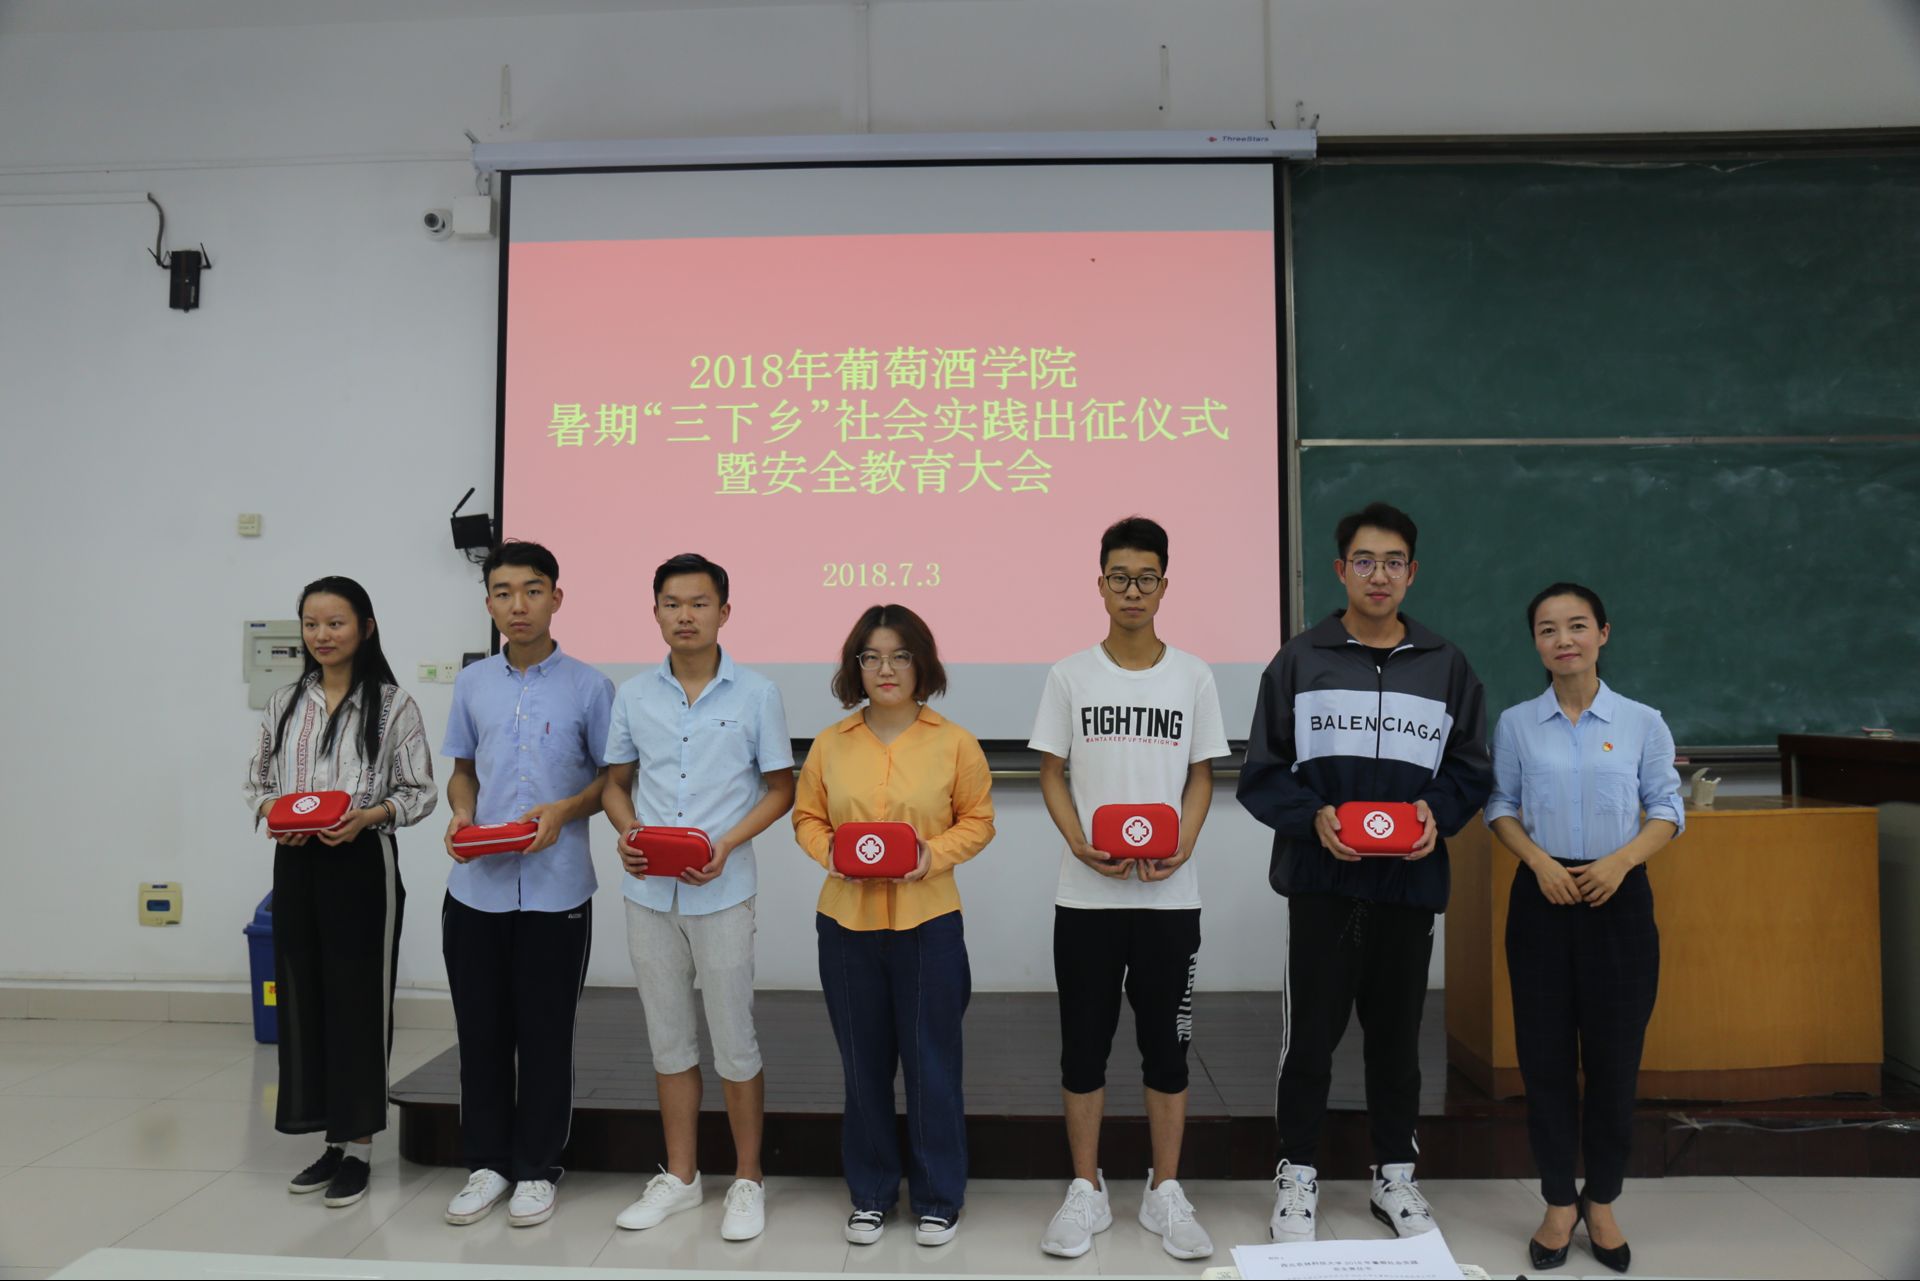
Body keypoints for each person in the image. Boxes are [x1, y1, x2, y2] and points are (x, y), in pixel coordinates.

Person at [1237, 502, 1491, 1244]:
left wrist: (1436, 814)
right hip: (1323, 884)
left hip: (1408, 887)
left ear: (1412, 573)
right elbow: (1262, 772)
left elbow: (1470, 769)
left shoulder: (1447, 665)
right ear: (1341, 569)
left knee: (1398, 1038)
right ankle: (1297, 1174)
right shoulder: (1299, 660)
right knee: (1309, 1038)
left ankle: (1395, 1176)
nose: (1379, 575)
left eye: (1393, 562)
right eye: (1364, 561)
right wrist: (1311, 815)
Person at [1030, 516, 1229, 1262]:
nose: (1133, 591)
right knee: (1082, 1048)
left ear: (1165, 585)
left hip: (1169, 900)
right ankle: (1086, 1187)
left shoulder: (1194, 675)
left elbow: (1203, 773)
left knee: (1167, 1049)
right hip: (1086, 898)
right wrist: (1078, 841)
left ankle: (1164, 1189)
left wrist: (1186, 842)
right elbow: (1051, 770)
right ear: (1101, 584)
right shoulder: (1070, 675)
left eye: (1146, 578)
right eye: (1120, 577)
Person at [1486, 582, 1681, 1275]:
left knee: (1613, 1061)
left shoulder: (1642, 722)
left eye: (1576, 625)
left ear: (1603, 632)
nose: (1563, 639)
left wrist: (1620, 862)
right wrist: (1539, 861)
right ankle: (1557, 1201)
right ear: (1536, 643)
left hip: (1616, 900)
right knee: (1542, 1061)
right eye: (1547, 629)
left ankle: (1601, 1200)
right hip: (1541, 897)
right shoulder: (1516, 723)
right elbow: (1500, 805)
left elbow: (1667, 808)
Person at [602, 553, 795, 1242]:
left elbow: (781, 788)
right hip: (647, 892)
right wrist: (628, 832)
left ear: (724, 611)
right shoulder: (633, 695)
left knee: (735, 1040)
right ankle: (682, 1177)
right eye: (672, 603)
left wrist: (727, 843)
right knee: (668, 1038)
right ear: (655, 611)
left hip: (724, 891)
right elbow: (615, 783)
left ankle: (748, 1179)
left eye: (699, 603)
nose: (685, 615)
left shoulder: (758, 694)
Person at [791, 605, 994, 1249]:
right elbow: (806, 817)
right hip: (845, 924)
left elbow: (979, 820)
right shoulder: (831, 743)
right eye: (872, 657)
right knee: (863, 1065)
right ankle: (872, 1193)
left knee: (933, 1064)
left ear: (921, 664)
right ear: (856, 667)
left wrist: (934, 854)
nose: (886, 669)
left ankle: (937, 1197)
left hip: (928, 922)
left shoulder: (954, 742)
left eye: (900, 656)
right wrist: (829, 852)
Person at [243, 575, 436, 1210]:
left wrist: (367, 816)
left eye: (336, 623)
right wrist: (276, 816)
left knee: (359, 1001)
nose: (322, 635)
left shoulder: (393, 706)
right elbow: (257, 784)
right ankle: (329, 1137)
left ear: (366, 628)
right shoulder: (284, 703)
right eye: (311, 624)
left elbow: (419, 792)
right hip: (296, 861)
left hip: (361, 861)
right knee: (305, 997)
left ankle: (359, 1148)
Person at [438, 541, 614, 1228]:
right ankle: (486, 1163)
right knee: (479, 1031)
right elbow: (462, 771)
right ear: (488, 602)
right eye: (504, 592)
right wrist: (461, 813)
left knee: (545, 1033)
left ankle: (537, 1168)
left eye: (533, 590)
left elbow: (612, 780)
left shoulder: (591, 687)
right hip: (476, 887)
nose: (519, 604)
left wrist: (564, 811)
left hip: (556, 889)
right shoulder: (472, 683)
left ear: (556, 598)